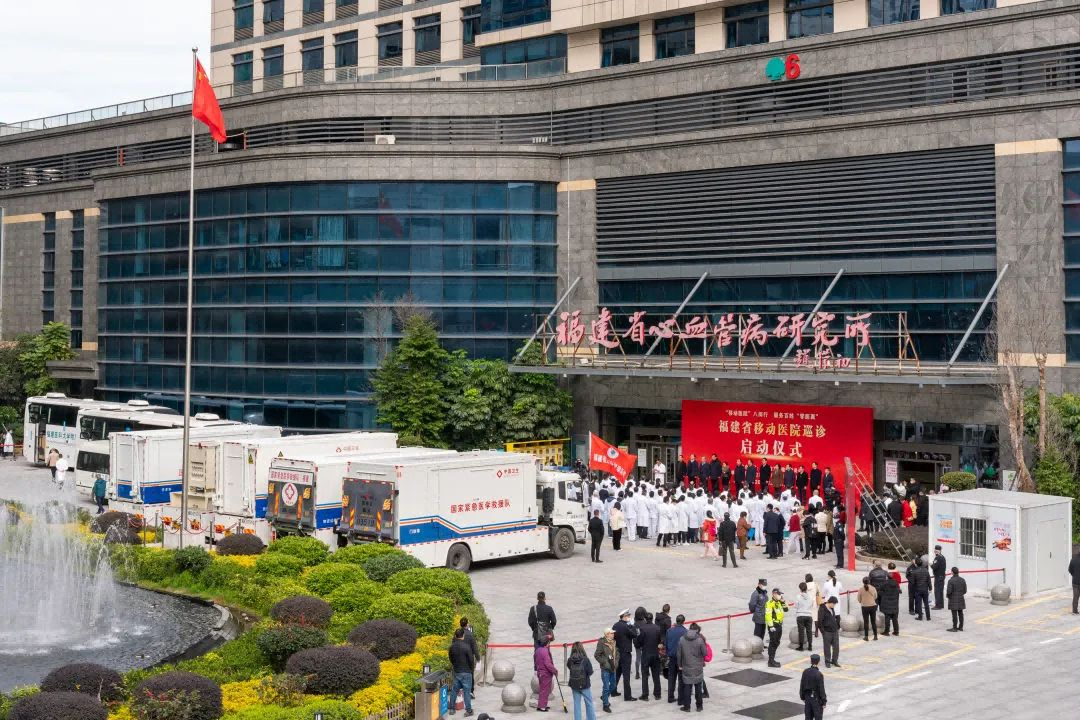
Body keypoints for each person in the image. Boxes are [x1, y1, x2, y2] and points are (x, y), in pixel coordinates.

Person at [676, 622, 707, 712]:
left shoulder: (682, 639)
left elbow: (679, 654)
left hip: (686, 666)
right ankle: (699, 706)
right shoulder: (700, 640)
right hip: (698, 667)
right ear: (697, 630)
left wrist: (680, 665)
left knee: (687, 687)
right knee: (698, 687)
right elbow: (705, 653)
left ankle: (687, 707)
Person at [612, 609, 638, 701]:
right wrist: (632, 625)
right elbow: (634, 634)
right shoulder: (626, 626)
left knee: (617, 673)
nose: (629, 618)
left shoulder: (615, 625)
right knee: (626, 676)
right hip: (626, 653)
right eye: (628, 616)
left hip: (618, 652)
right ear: (624, 617)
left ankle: (613, 691)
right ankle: (627, 696)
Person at [448, 628, 476, 717]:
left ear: (455, 636)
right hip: (466, 672)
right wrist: (471, 669)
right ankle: (468, 710)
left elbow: (451, 658)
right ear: (463, 635)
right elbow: (471, 660)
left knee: (454, 690)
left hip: (457, 671)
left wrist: (455, 666)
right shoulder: (467, 647)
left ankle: (452, 709)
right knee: (467, 692)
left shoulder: (452, 647)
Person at [636, 612, 663, 700]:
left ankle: (645, 695)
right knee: (656, 675)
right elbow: (660, 641)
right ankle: (657, 694)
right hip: (655, 654)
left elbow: (639, 643)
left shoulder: (642, 628)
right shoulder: (657, 628)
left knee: (645, 676)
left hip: (646, 655)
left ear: (645, 619)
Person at [567, 641, 597, 720]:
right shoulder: (586, 660)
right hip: (585, 685)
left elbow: (569, 667)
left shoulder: (570, 660)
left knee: (577, 705)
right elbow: (590, 672)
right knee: (589, 703)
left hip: (574, 685)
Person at [665, 614, 688, 704]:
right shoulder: (685, 632)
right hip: (681, 659)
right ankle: (680, 699)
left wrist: (668, 653)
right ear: (683, 622)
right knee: (681, 679)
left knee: (671, 678)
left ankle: (670, 697)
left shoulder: (669, 631)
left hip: (672, 657)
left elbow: (666, 644)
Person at [594, 628, 617, 712]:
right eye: (611, 633)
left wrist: (616, 662)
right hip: (606, 669)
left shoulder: (614, 642)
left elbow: (616, 653)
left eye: (613, 633)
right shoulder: (602, 642)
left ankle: (604, 697)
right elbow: (597, 655)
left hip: (613, 667)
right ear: (607, 634)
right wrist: (604, 662)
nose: (613, 634)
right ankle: (605, 705)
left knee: (613, 686)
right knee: (606, 687)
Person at [799, 654, 827, 720]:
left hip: (807, 698)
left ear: (811, 661)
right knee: (818, 717)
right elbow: (821, 689)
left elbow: (802, 685)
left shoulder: (805, 671)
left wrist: (802, 696)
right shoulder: (819, 674)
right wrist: (824, 701)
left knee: (808, 717)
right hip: (816, 699)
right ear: (818, 662)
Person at [534, 635, 558, 712]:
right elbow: (548, 664)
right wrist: (555, 671)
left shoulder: (538, 650)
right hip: (545, 673)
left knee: (542, 689)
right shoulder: (545, 651)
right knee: (545, 690)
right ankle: (542, 706)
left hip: (540, 672)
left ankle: (542, 704)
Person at [765, 588, 787, 668]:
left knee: (777, 642)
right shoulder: (769, 603)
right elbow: (768, 615)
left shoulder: (779, 602)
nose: (780, 596)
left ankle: (772, 658)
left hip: (779, 625)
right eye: (778, 594)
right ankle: (770, 661)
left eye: (780, 594)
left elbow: (786, 609)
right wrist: (771, 626)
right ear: (774, 594)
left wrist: (783, 602)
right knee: (773, 642)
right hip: (774, 626)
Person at [817, 597, 841, 668]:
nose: (834, 606)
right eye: (834, 604)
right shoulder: (822, 609)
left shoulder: (832, 608)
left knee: (836, 647)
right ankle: (827, 661)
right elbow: (820, 622)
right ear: (830, 602)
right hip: (827, 632)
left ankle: (835, 660)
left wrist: (837, 627)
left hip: (834, 631)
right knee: (827, 647)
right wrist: (823, 632)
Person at [794, 582, 815, 652]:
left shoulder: (798, 596)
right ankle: (810, 646)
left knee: (801, 631)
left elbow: (796, 606)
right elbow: (812, 605)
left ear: (800, 589)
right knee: (809, 631)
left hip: (800, 615)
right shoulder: (810, 596)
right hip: (808, 615)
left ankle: (801, 646)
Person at [946, 567, 968, 632]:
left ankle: (954, 628)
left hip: (953, 599)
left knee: (954, 614)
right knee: (960, 613)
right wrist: (960, 594)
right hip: (961, 598)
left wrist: (949, 596)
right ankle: (961, 627)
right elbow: (965, 590)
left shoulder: (951, 581)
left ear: (952, 572)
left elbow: (949, 591)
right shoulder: (962, 580)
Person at [857, 577, 879, 641]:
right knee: (873, 621)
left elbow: (859, 599)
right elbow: (875, 596)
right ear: (869, 581)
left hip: (865, 607)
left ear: (863, 582)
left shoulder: (861, 589)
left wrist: (863, 601)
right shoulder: (873, 588)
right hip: (873, 606)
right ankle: (875, 636)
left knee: (866, 622)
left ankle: (866, 637)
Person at [931, 545, 947, 609]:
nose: (935, 551)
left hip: (938, 576)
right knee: (940, 591)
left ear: (939, 551)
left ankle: (938, 605)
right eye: (935, 550)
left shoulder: (938, 558)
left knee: (937, 591)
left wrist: (931, 565)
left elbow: (934, 567)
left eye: (936, 550)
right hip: (942, 576)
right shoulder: (942, 557)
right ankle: (941, 605)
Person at [1071, 549, 1080, 615]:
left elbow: (1070, 569)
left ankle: (1074, 611)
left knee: (1075, 597)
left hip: (1075, 582)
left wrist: (1074, 575)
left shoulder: (1073, 559)